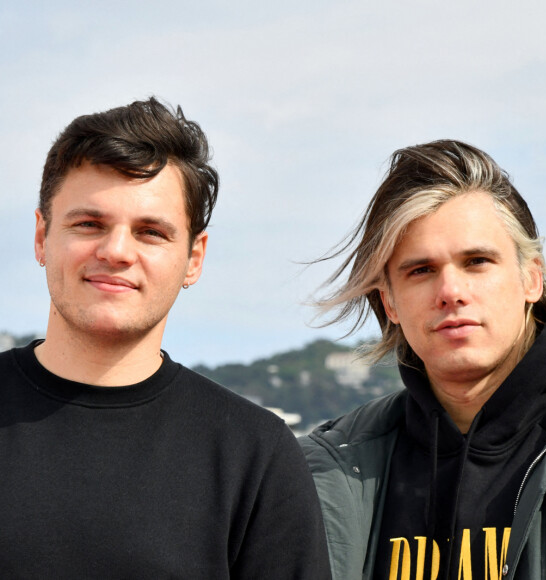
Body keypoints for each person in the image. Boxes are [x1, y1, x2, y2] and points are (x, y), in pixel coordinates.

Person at [0, 97, 331, 579]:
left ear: (194, 258)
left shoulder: (253, 456)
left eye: (150, 232)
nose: (115, 251)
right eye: (89, 223)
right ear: (41, 236)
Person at [300, 139, 546, 580]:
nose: (450, 292)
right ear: (389, 302)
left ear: (531, 278)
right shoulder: (332, 467)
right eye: (421, 270)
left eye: (477, 261)